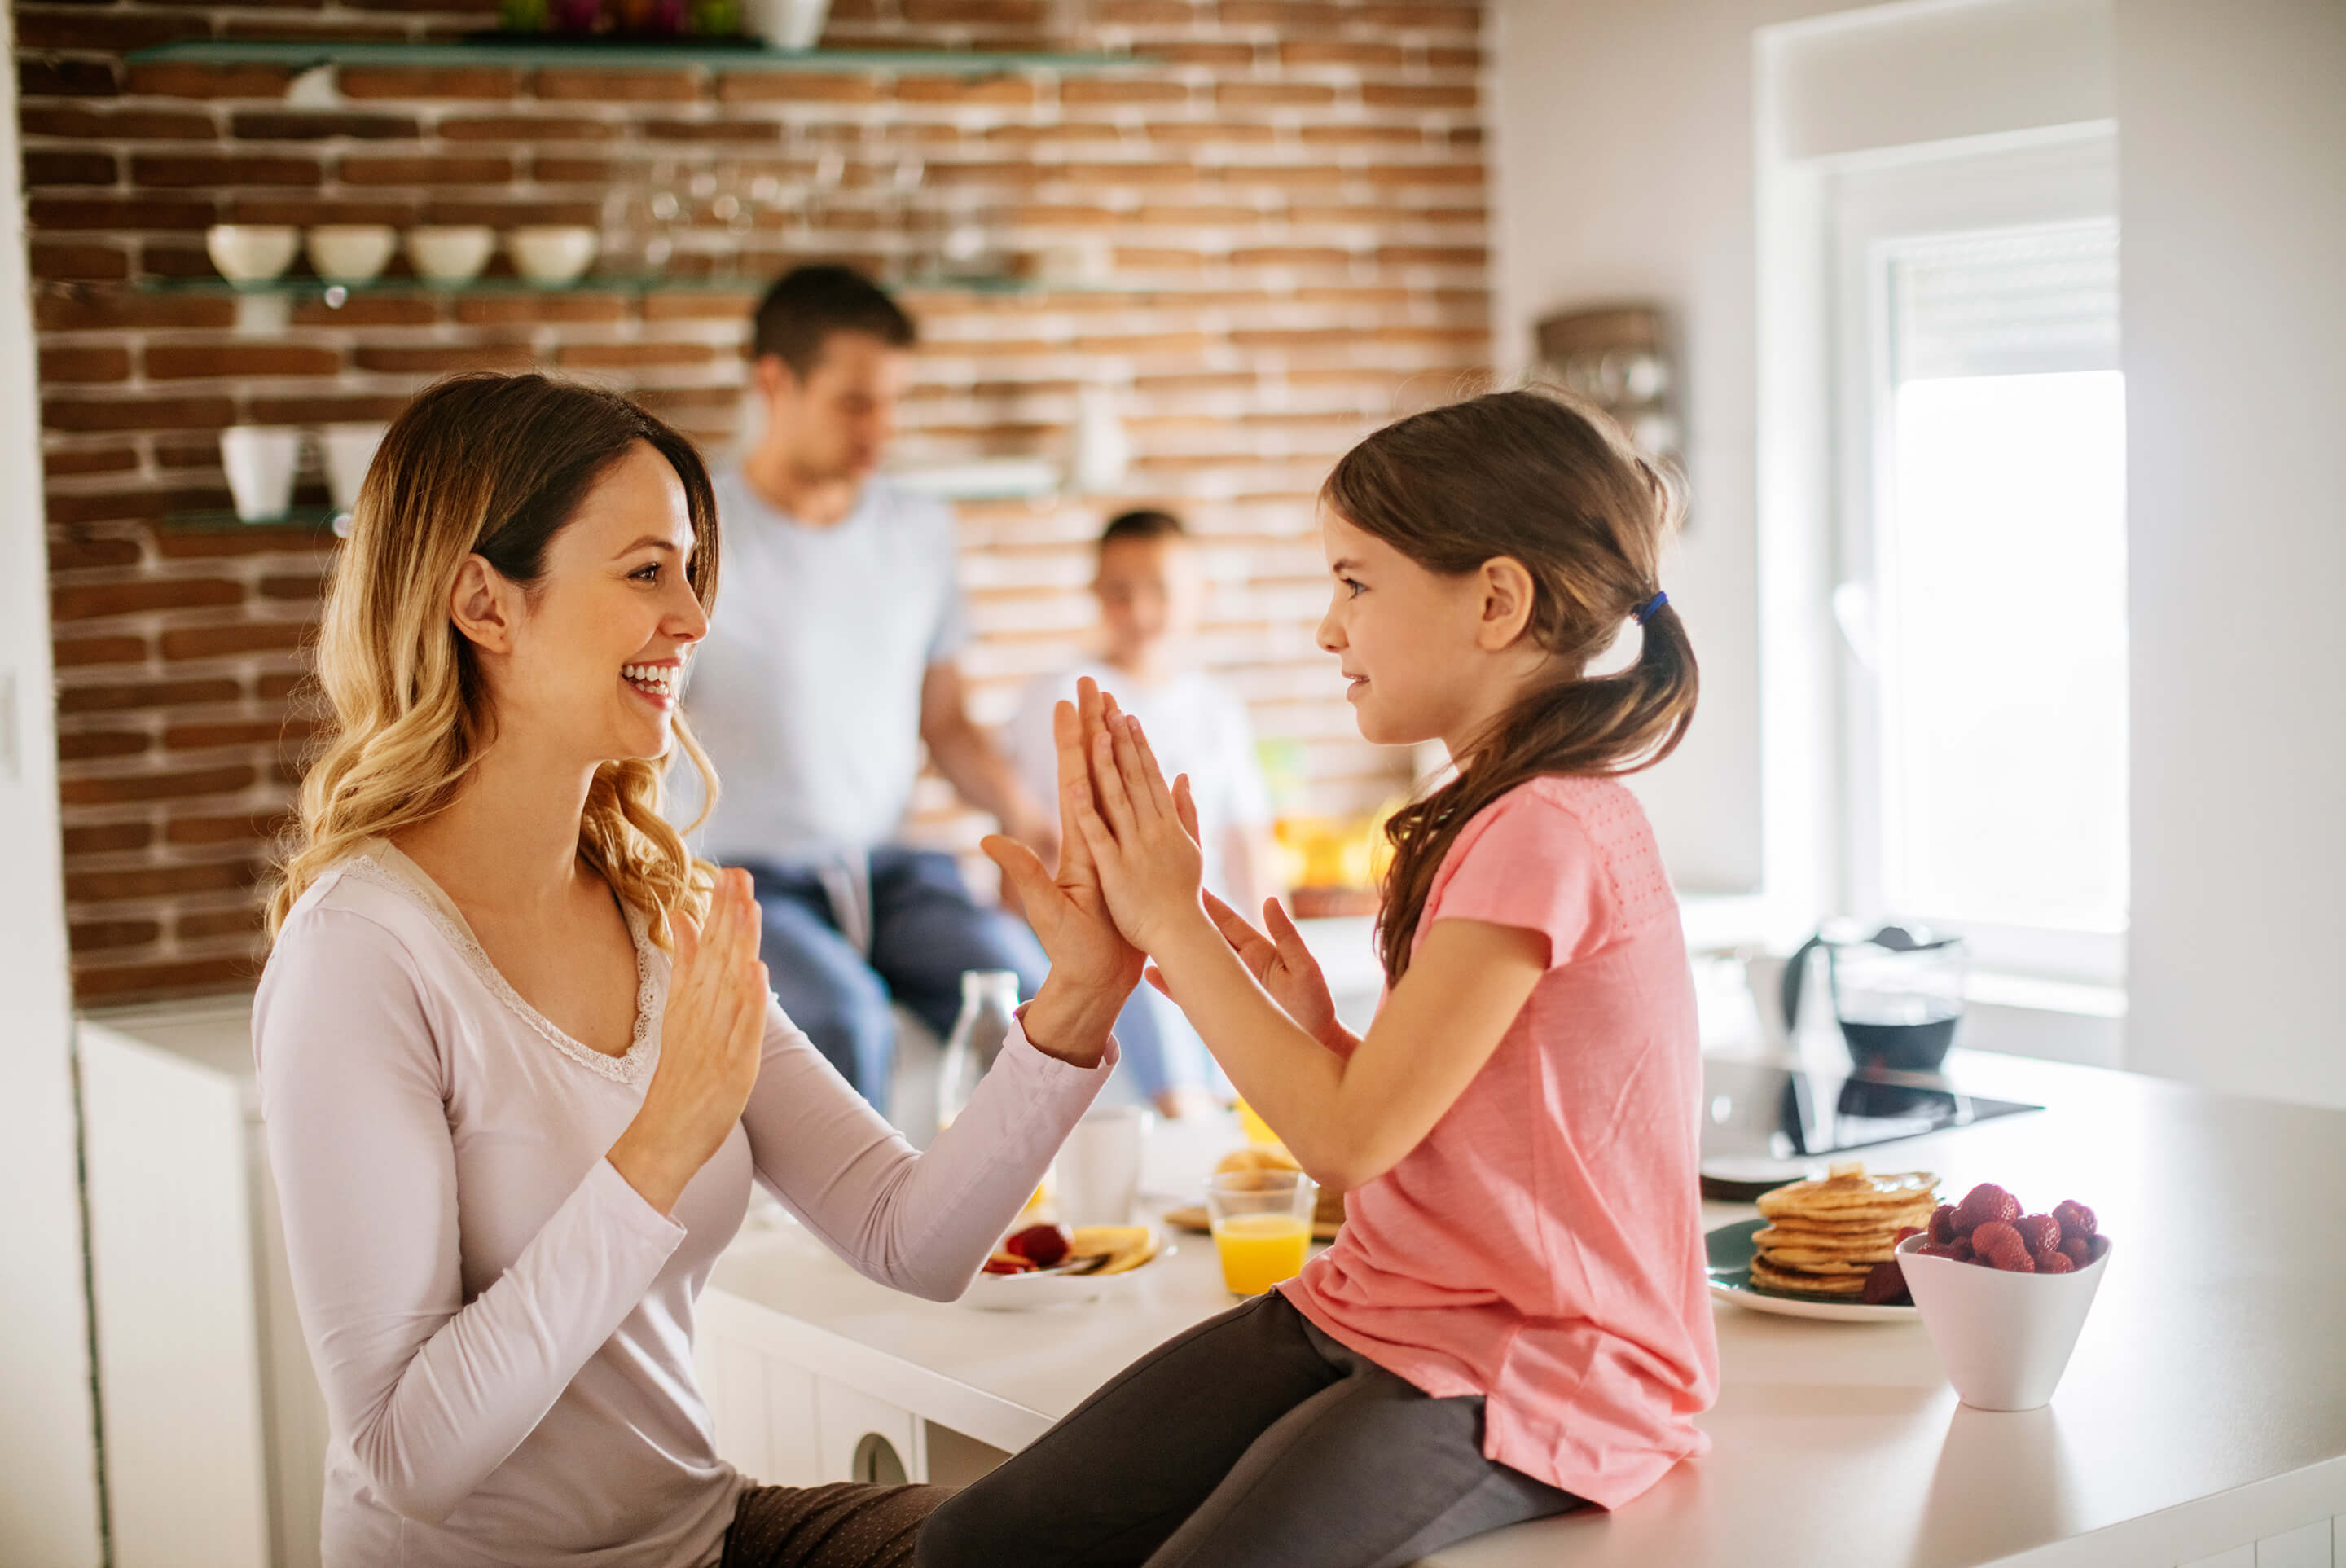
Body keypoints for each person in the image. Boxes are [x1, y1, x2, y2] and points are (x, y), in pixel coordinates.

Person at [254, 371, 1142, 1568]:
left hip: (706, 1536)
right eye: (644, 571)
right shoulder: (359, 951)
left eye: (688, 570)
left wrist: (1076, 1004)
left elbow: (908, 1238)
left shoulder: (655, 914)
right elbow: (408, 1456)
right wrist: (659, 1146)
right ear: (484, 603)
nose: (693, 615)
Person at [920, 389, 1720, 1568]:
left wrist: (1172, 917)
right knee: (976, 1543)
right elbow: (1417, 1121)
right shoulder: (1481, 815)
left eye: (1355, 582)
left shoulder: (1550, 826)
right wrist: (1305, 1027)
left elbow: (1348, 1144)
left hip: (1543, 1358)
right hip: (1381, 1300)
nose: (1326, 628)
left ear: (1495, 601)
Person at [678, 265, 1057, 1109]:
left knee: (1032, 994)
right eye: (854, 402)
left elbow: (948, 724)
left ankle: (1038, 1236)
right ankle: (864, 1244)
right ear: (773, 382)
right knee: (845, 1019)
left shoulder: (918, 530)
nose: (879, 428)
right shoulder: (694, 531)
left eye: (892, 402)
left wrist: (1029, 824)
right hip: (743, 877)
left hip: (887, 868)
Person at [1005, 509, 1278, 1114]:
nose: (1140, 610)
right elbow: (1035, 840)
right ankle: (1186, 1112)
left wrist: (1268, 949)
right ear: (1096, 595)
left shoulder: (1217, 706)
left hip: (1207, 928)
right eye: (1119, 592)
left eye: (1159, 589)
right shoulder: (1062, 691)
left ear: (1199, 594)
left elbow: (1247, 841)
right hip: (1114, 926)